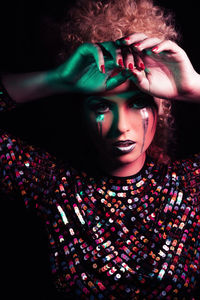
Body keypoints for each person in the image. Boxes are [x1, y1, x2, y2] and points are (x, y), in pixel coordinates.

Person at [1, 0, 200, 298]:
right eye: (102, 106)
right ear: (81, 111)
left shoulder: (190, 185)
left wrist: (193, 87)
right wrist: (58, 80)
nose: (121, 126)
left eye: (137, 103)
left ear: (161, 109)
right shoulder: (55, 188)